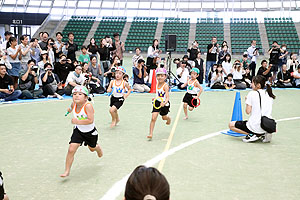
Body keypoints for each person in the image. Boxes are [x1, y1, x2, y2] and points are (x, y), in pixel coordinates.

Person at [60, 85, 103, 177]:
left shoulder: (88, 106)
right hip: (78, 131)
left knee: (92, 149)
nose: (76, 96)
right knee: (71, 149)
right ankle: (67, 171)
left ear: (86, 97)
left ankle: (97, 148)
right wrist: (69, 110)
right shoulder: (74, 103)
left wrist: (77, 121)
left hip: (90, 132)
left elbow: (90, 120)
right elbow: (71, 107)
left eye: (80, 94)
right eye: (74, 94)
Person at [229, 75, 275, 143]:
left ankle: (253, 134)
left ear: (258, 85)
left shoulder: (252, 94)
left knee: (231, 125)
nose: (251, 84)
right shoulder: (269, 94)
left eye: (253, 83)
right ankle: (263, 133)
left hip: (255, 125)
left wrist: (246, 101)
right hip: (267, 125)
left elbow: (248, 111)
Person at [148, 68, 171, 139]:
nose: (160, 77)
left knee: (164, 117)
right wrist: (155, 98)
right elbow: (159, 94)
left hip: (164, 104)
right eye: (158, 76)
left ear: (165, 76)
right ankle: (150, 133)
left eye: (162, 76)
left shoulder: (165, 86)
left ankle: (168, 118)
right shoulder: (157, 84)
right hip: (157, 103)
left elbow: (167, 97)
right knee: (153, 117)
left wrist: (164, 102)